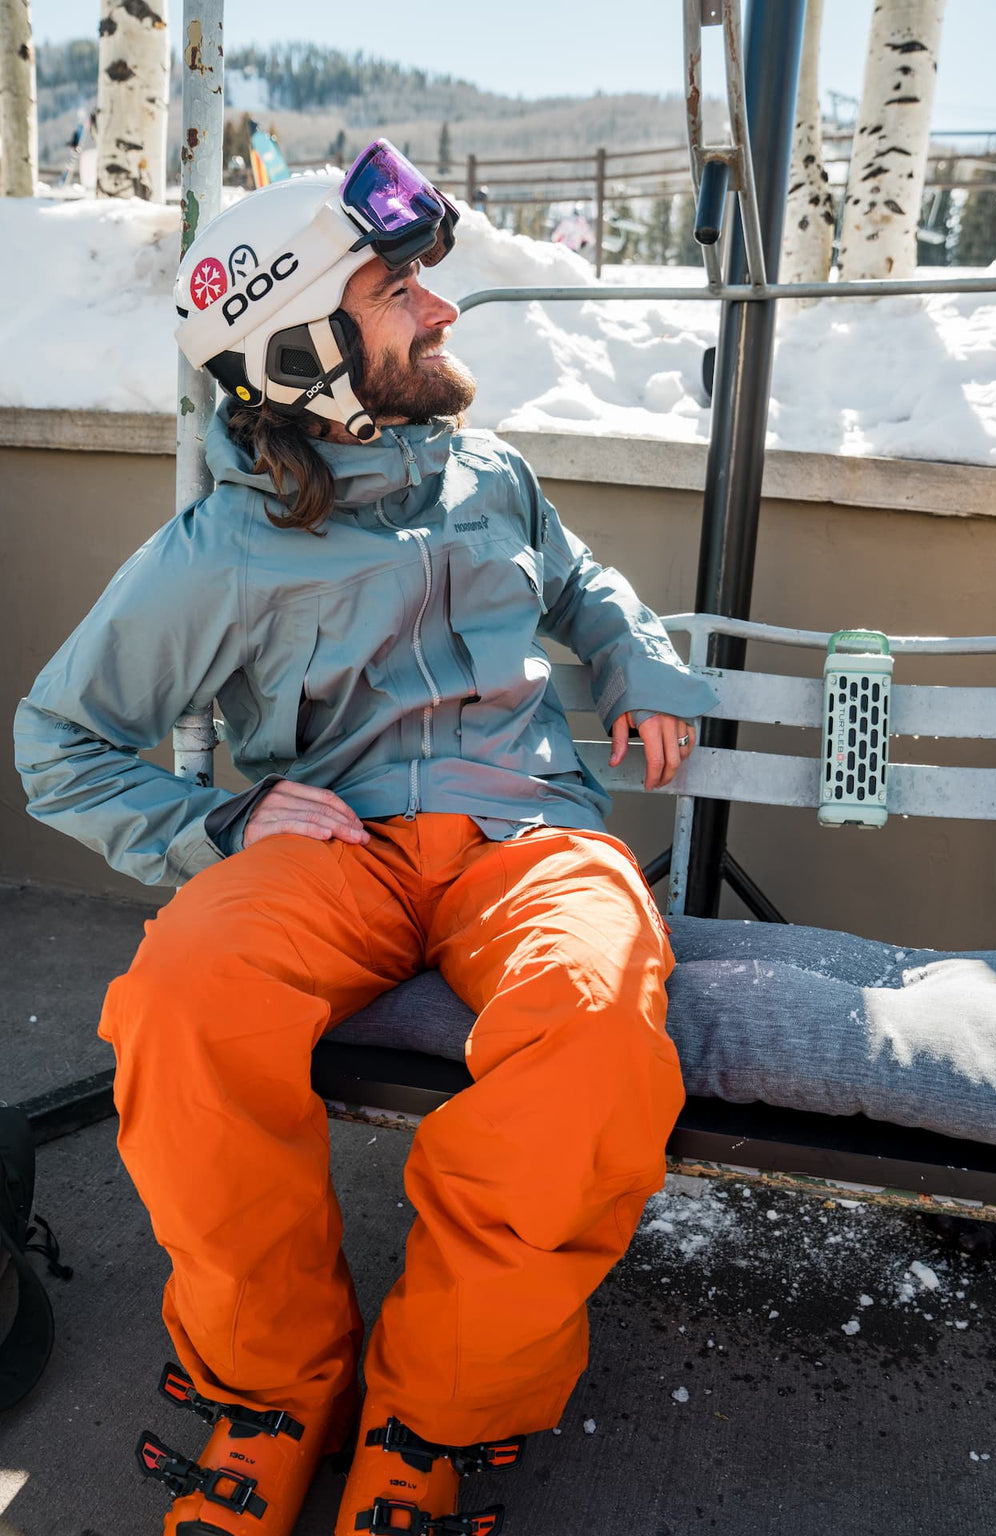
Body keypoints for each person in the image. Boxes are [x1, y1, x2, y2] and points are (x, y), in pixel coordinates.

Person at [14, 140, 717, 1536]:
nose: (445, 312)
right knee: (180, 1006)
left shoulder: (493, 473)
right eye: (404, 291)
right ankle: (274, 1390)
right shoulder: (218, 551)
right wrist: (212, 817)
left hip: (528, 842)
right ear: (305, 352)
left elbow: (579, 581)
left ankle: (435, 1416)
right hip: (332, 852)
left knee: (591, 1034)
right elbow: (59, 740)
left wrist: (637, 659)